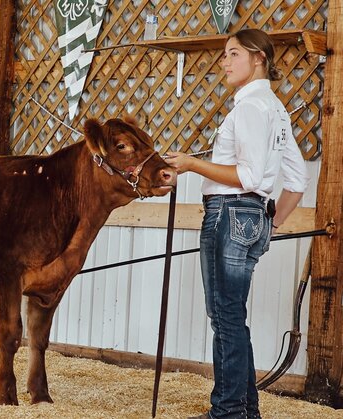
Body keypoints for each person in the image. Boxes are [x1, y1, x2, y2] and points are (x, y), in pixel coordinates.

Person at [165, 28, 309, 419]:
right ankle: (245, 411)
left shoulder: (247, 107)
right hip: (254, 217)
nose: (224, 62)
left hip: (228, 215)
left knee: (225, 317)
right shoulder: (275, 108)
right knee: (233, 316)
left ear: (258, 57)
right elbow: (296, 181)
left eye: (232, 54)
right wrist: (270, 224)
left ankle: (227, 412)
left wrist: (192, 164)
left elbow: (246, 176)